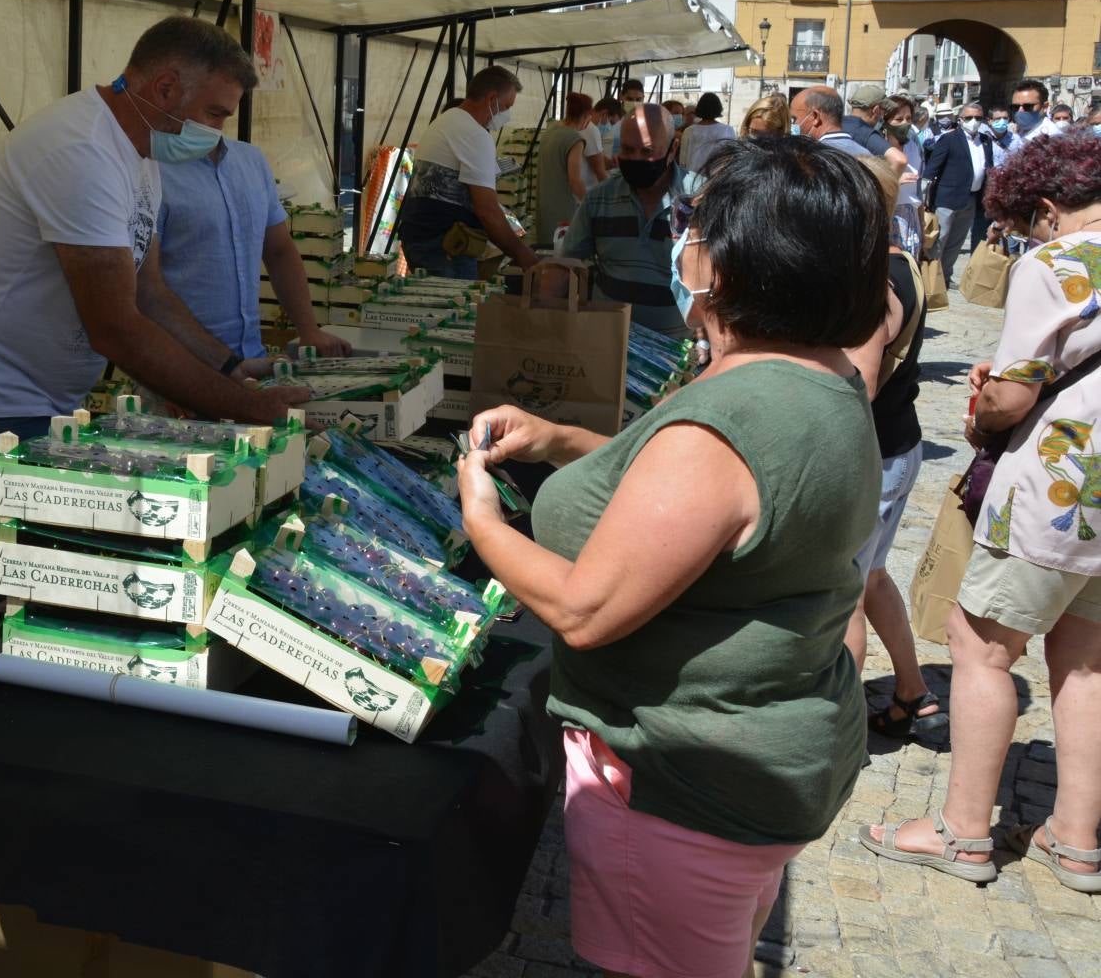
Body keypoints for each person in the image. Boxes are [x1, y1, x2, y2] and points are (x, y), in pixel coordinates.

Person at [459, 135, 887, 976]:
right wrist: (565, 441)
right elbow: (705, 507)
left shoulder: (731, 418)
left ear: (726, 266)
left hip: (678, 790)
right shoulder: (828, 377)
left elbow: (586, 608)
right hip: (764, 762)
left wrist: (484, 523)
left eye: (696, 234)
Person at [0, 16, 309, 529]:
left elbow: (151, 293)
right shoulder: (81, 150)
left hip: (47, 400)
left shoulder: (142, 157)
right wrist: (254, 410)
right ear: (166, 87)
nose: (216, 134)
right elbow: (117, 327)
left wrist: (229, 366)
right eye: (213, 114)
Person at [864, 131, 1101, 894]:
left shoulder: (1058, 261)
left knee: (982, 648)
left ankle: (964, 831)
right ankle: (1076, 838)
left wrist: (983, 405)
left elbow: (1012, 397)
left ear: (1046, 208)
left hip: (1057, 488)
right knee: (1088, 662)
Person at [842, 157, 943, 738]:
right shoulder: (899, 261)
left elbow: (856, 388)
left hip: (871, 455)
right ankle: (913, 691)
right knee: (873, 579)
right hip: (897, 446)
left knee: (845, 602)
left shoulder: (871, 281)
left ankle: (841, 741)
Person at [156, 137, 352, 358]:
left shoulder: (251, 161)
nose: (220, 119)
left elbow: (279, 251)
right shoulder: (153, 168)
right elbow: (145, 284)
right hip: (179, 364)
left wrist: (308, 330)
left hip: (251, 356)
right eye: (212, 111)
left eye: (224, 113)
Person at [394, 65, 539, 277]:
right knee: (455, 307)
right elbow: (487, 210)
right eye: (506, 106)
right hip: (446, 245)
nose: (507, 115)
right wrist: (522, 255)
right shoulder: (474, 134)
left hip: (421, 235)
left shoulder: (448, 119)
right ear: (491, 99)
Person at [558, 103, 684, 335]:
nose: (635, 159)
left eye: (647, 151)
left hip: (675, 352)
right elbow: (567, 265)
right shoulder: (599, 198)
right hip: (606, 344)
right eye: (627, 149)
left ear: (672, 148)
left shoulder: (701, 199)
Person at [921, 103, 995, 287]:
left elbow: (988, 167)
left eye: (978, 118)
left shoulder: (986, 140)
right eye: (969, 118)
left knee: (956, 241)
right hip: (947, 198)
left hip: (971, 198)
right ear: (960, 119)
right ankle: (930, 279)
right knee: (940, 240)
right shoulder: (949, 139)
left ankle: (945, 276)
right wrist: (925, 195)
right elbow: (933, 167)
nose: (974, 122)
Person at [535, 92, 594, 248]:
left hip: (544, 208)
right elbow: (575, 181)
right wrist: (591, 206)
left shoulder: (550, 130)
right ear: (587, 115)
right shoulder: (575, 140)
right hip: (562, 211)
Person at [875, 95, 924, 258]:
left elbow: (918, 189)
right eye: (899, 119)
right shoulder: (878, 149)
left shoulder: (914, 145)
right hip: (889, 216)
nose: (905, 124)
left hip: (911, 217)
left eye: (908, 118)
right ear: (885, 122)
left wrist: (921, 221)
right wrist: (894, 181)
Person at [843, 83, 912, 174]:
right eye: (883, 111)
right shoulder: (867, 133)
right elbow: (900, 160)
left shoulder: (837, 124)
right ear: (876, 110)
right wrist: (889, 183)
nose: (882, 117)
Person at [793, 86, 873, 158]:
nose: (793, 125)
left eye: (794, 118)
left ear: (815, 116)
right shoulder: (867, 156)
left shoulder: (810, 158)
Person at [676, 91, 734, 186]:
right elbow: (731, 160)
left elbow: (682, 162)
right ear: (718, 108)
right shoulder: (727, 130)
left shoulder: (689, 131)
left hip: (691, 182)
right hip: (716, 182)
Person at [1011, 78, 1054, 143]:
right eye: (1015, 107)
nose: (1020, 111)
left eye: (1028, 106)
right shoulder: (1013, 134)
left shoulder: (1053, 138)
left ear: (1045, 107)